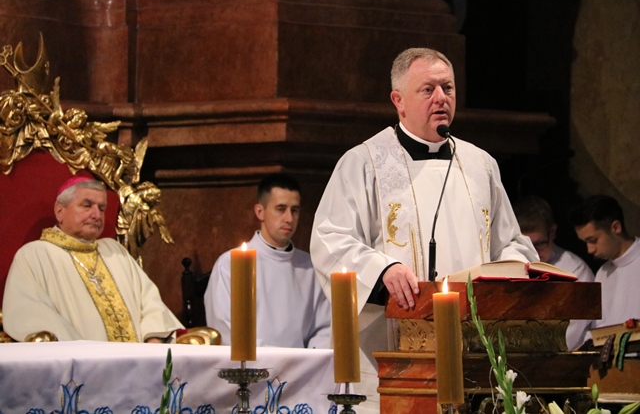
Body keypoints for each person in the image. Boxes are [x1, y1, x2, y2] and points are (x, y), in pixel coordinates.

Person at [310, 47, 538, 412]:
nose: (441, 98)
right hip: (390, 355)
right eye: (428, 90)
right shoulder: (364, 163)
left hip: (472, 354)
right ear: (398, 101)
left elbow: (511, 242)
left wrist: (507, 269)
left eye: (448, 88)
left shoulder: (480, 165)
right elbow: (329, 239)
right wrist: (382, 270)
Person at [2, 174, 183, 343]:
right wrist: (85, 355)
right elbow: (30, 315)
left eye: (101, 208)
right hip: (77, 364)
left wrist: (154, 339)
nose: (96, 215)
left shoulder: (115, 251)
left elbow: (150, 303)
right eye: (87, 205)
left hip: (140, 360)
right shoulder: (35, 255)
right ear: (59, 211)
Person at [204, 173, 331, 349]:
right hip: (251, 364)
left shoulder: (310, 267)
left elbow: (325, 327)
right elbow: (225, 329)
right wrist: (276, 360)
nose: (289, 218)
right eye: (280, 209)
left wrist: (308, 360)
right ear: (260, 212)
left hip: (302, 364)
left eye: (294, 210)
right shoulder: (229, 265)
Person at [514, 195, 594, 350]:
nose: (534, 254)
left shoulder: (576, 271)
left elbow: (571, 334)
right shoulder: (509, 268)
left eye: (540, 244)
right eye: (526, 246)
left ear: (552, 232)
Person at [568, 194, 640, 343]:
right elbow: (598, 330)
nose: (590, 249)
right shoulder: (602, 273)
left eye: (593, 240)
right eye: (585, 242)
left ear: (616, 227)